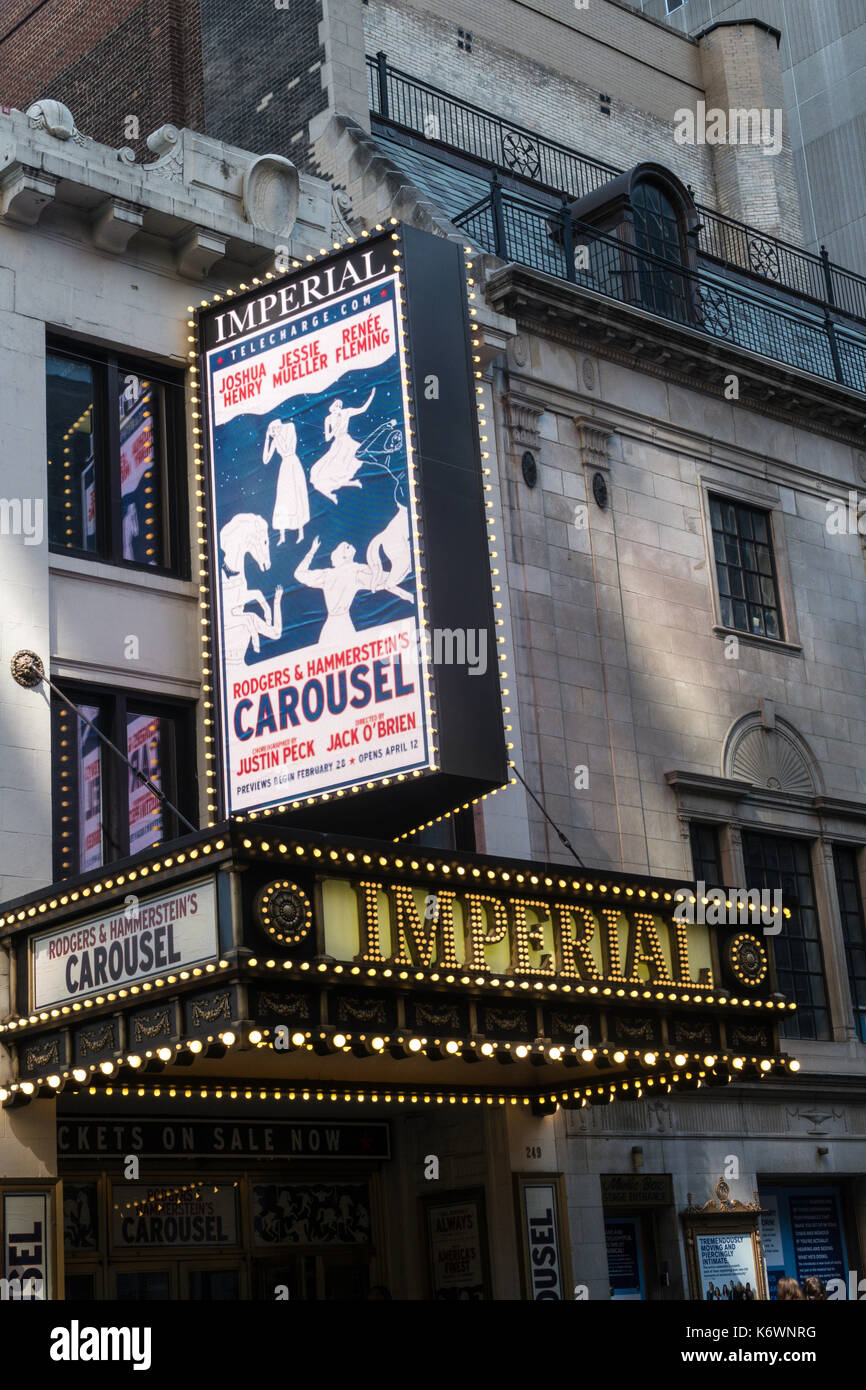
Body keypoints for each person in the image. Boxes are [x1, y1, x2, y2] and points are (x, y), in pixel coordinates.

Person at [294, 537, 375, 646]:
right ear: (343, 556)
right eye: (346, 546)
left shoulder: (328, 574)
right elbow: (384, 579)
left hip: (334, 625)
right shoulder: (356, 571)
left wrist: (312, 551)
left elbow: (299, 574)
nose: (350, 545)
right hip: (341, 625)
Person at [310, 389, 376, 502]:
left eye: (340, 405)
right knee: (330, 469)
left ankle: (356, 481)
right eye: (336, 405)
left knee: (349, 464)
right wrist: (335, 429)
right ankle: (348, 485)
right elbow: (327, 438)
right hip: (337, 443)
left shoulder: (346, 412)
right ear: (332, 407)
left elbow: (362, 409)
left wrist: (371, 396)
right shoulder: (328, 419)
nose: (339, 407)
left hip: (347, 441)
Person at [262, 418, 310, 544]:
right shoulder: (275, 441)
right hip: (285, 469)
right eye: (273, 430)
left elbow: (288, 447)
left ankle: (301, 533)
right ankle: (282, 536)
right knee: (283, 499)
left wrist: (278, 434)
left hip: (294, 464)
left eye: (277, 428)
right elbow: (265, 460)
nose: (275, 431)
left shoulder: (289, 432)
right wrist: (268, 439)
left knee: (297, 496)